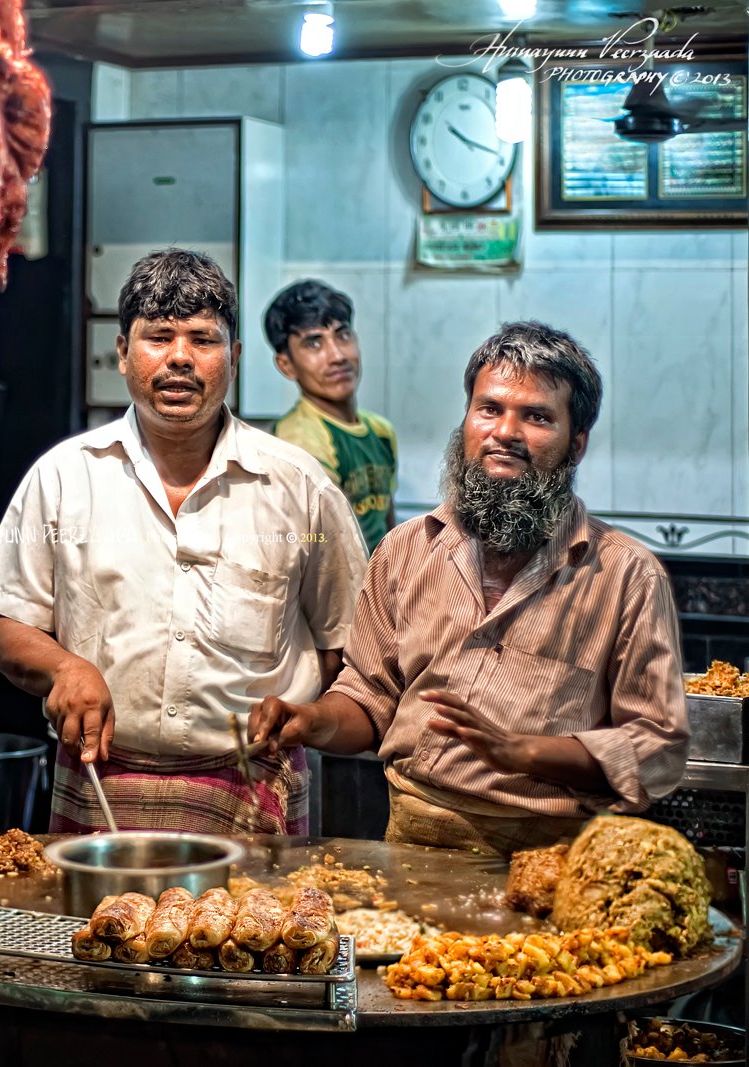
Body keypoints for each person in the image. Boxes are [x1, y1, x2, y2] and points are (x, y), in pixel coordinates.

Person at [0, 248, 367, 836]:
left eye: (203, 339)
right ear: (124, 353)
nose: (180, 358)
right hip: (100, 784)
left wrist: (303, 716)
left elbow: (345, 644)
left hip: (256, 792)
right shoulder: (63, 476)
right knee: (95, 931)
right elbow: (10, 629)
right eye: (158, 337)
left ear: (233, 357)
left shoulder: (300, 487)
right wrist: (64, 666)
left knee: (255, 933)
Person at [250, 321, 688, 855]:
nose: (506, 431)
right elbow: (370, 697)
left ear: (576, 445)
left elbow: (659, 750)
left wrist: (528, 753)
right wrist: (312, 720)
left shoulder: (627, 577)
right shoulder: (406, 551)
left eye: (537, 417)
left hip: (549, 861)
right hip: (409, 846)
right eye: (490, 409)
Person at [265, 280, 399, 551]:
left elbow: (388, 526)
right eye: (314, 343)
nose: (337, 355)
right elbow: (326, 552)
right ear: (286, 364)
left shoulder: (380, 431)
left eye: (342, 335)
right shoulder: (298, 441)